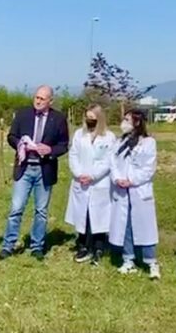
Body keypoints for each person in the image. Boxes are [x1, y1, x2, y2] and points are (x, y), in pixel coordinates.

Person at [0, 85, 69, 261]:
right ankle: (8, 246)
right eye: (36, 97)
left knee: (41, 211)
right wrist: (21, 144)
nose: (37, 101)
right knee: (16, 208)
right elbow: (11, 136)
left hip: (45, 170)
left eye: (42, 99)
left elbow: (64, 145)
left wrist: (50, 150)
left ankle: (37, 246)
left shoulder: (58, 119)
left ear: (50, 101)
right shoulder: (23, 114)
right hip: (24, 168)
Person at [109, 109, 160, 280]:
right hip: (122, 190)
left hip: (139, 190)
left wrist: (132, 180)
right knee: (126, 225)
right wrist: (118, 179)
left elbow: (148, 168)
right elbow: (113, 163)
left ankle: (151, 262)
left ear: (137, 123)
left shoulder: (148, 142)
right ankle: (128, 259)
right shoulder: (119, 142)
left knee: (145, 226)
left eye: (127, 120)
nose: (123, 123)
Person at [65, 104, 116, 265]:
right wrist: (79, 174)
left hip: (100, 183)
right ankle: (83, 246)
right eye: (87, 118)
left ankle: (99, 247)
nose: (90, 121)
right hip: (81, 182)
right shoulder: (79, 135)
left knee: (99, 217)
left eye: (93, 118)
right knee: (83, 215)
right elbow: (73, 155)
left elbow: (109, 160)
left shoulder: (109, 137)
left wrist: (93, 176)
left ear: (99, 119)